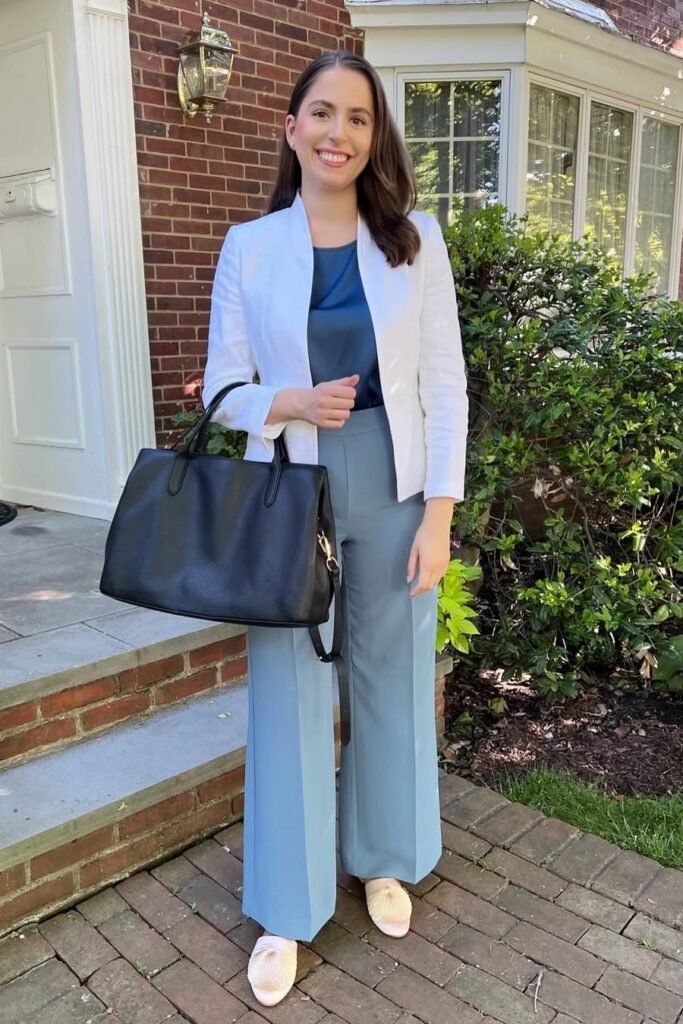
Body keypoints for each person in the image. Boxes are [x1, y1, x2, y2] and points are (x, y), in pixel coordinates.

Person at [202, 50, 468, 1006]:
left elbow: (445, 384)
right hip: (289, 487)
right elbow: (222, 390)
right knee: (287, 686)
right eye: (322, 112)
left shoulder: (414, 241)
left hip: (394, 484)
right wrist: (289, 400)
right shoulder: (250, 244)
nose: (338, 133)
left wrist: (439, 513)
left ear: (374, 137)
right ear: (291, 126)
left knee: (391, 677)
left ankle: (385, 857)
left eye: (358, 118)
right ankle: (287, 905)